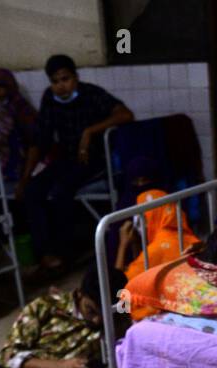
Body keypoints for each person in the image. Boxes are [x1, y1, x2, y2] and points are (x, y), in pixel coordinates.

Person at [16, 55, 134, 275]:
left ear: (76, 77)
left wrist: (90, 131)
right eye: (55, 81)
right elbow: (39, 140)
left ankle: (65, 254)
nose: (61, 86)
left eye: (66, 79)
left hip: (93, 158)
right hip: (66, 158)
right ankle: (46, 254)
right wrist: (25, 177)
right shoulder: (50, 99)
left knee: (62, 192)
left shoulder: (91, 94)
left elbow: (125, 115)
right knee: (32, 191)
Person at [115, 189, 199, 280]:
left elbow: (118, 286)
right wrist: (136, 244)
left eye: (143, 219)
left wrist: (122, 245)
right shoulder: (191, 240)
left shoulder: (153, 252)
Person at [0, 68, 39, 184]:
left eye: (2, 85)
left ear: (11, 88)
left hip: (13, 164)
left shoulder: (22, 110)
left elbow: (34, 142)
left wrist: (24, 178)